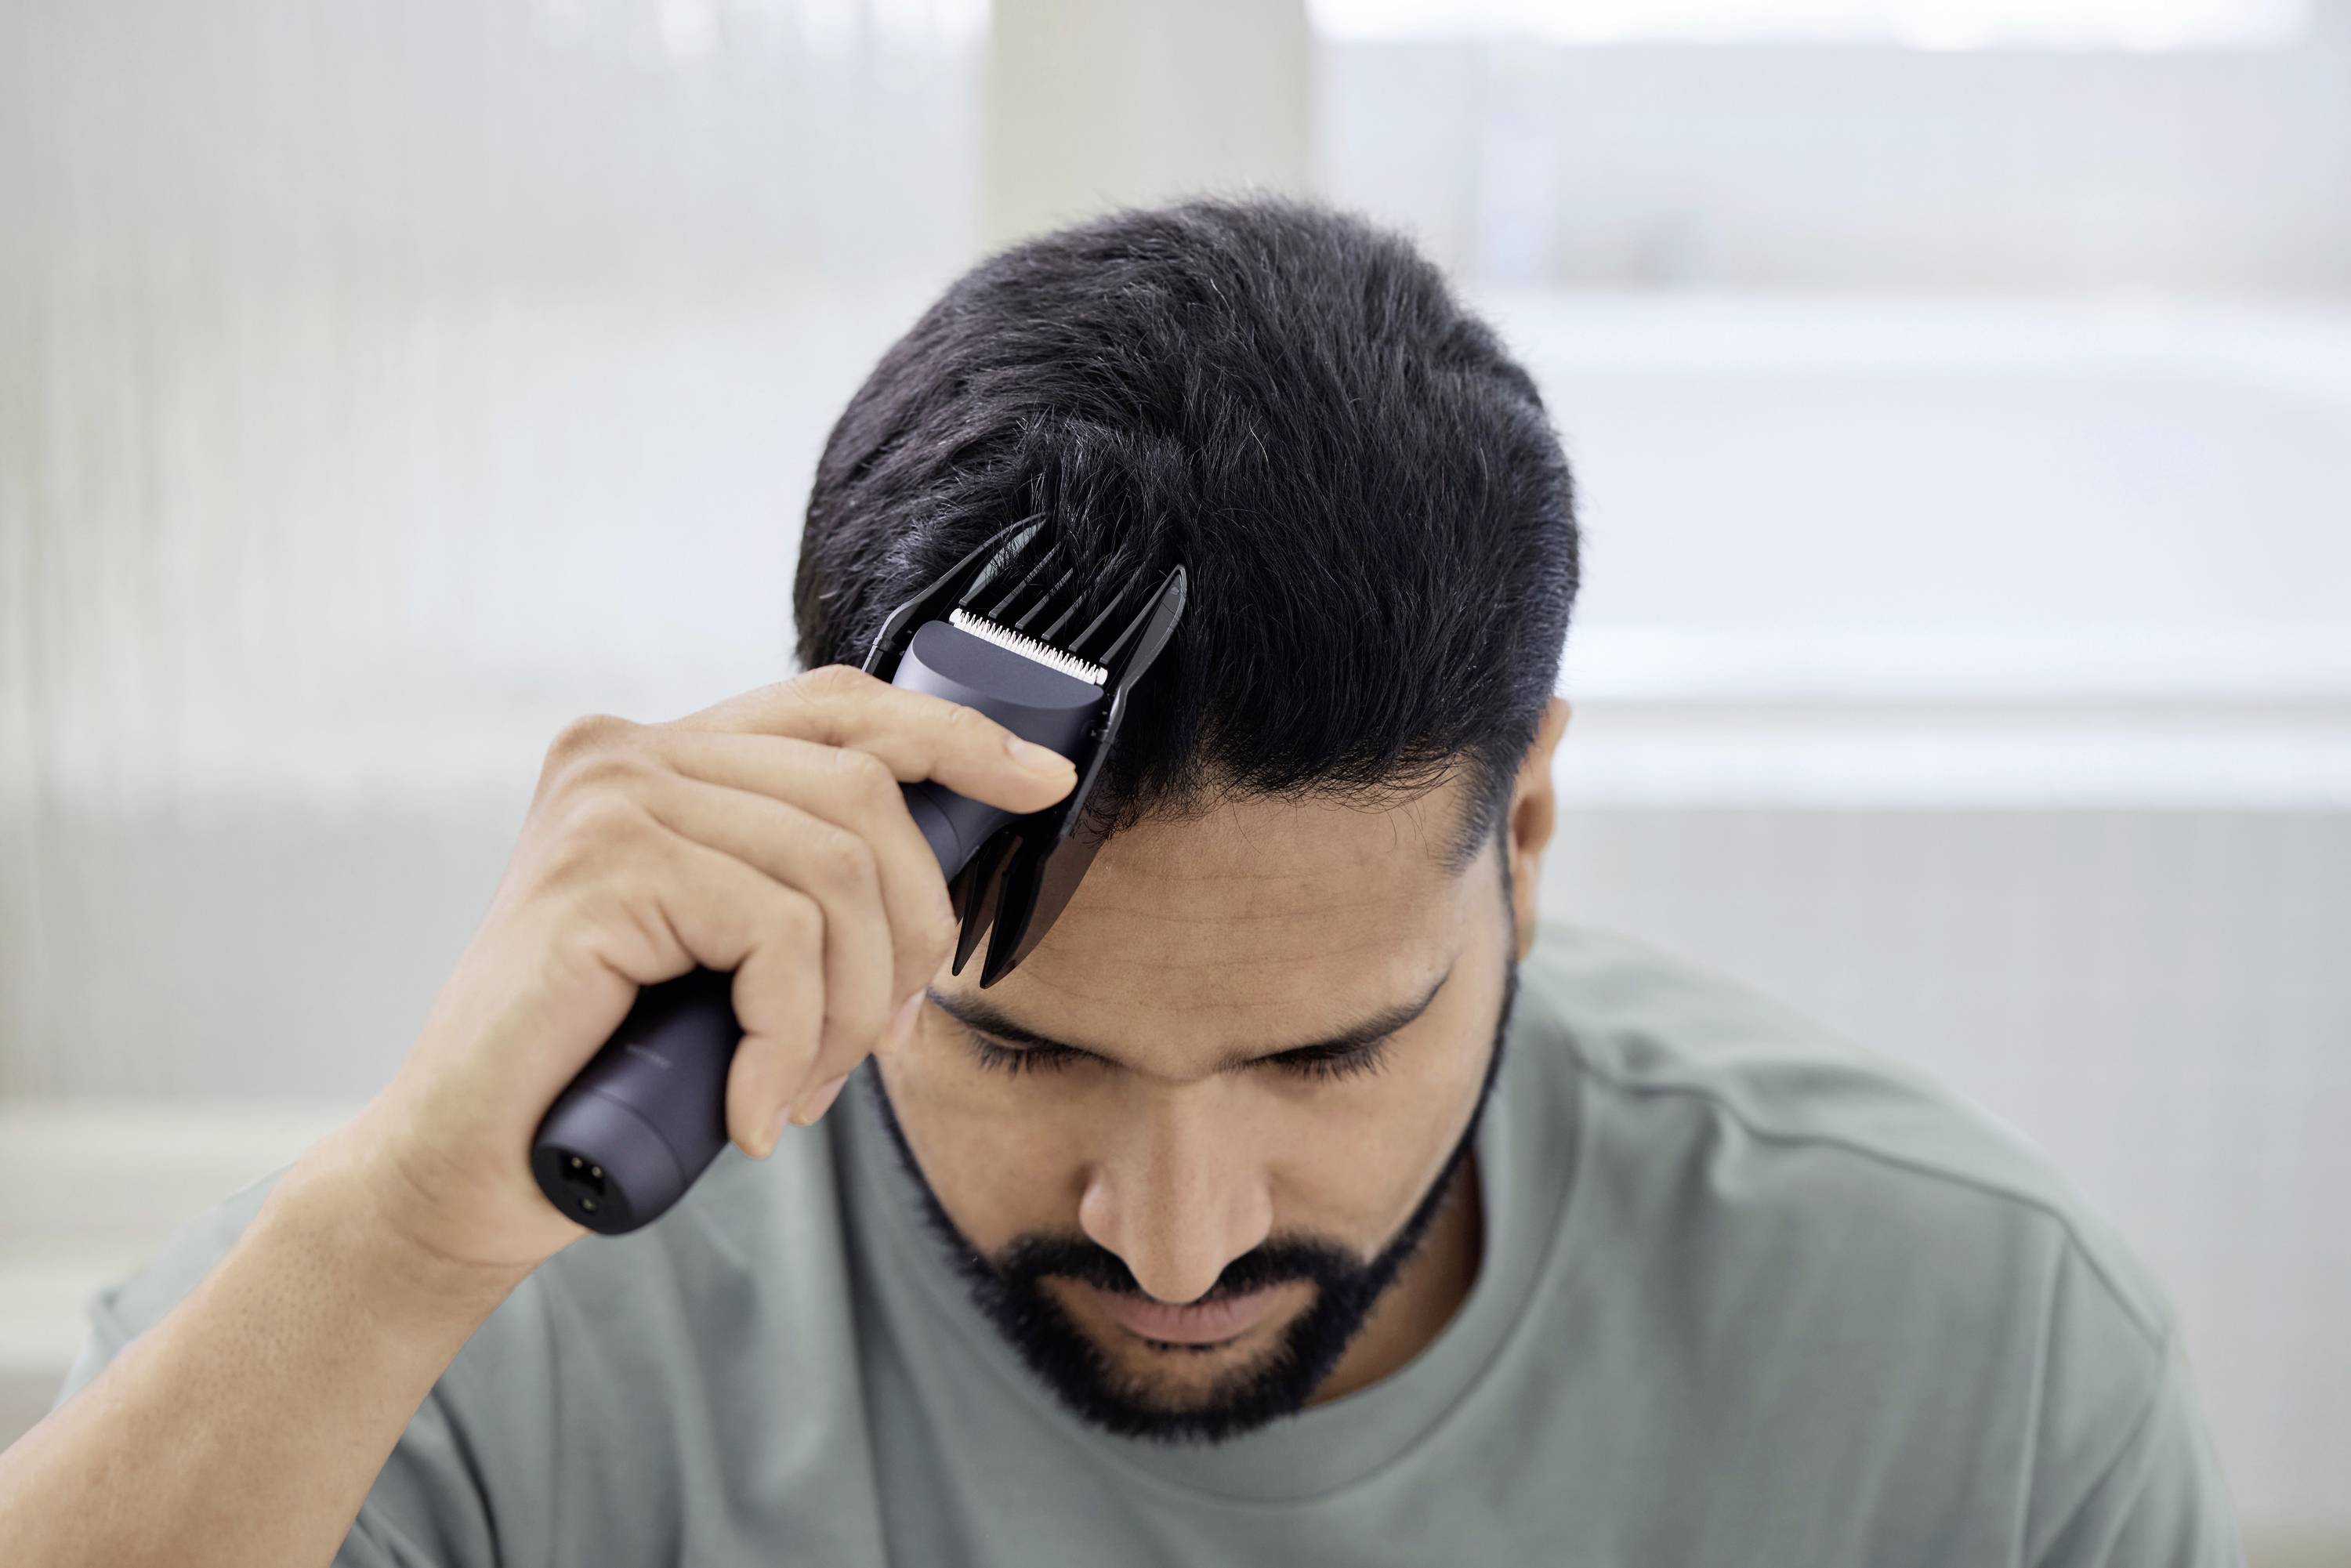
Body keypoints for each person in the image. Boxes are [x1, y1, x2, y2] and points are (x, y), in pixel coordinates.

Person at [0, 199, 2241, 1566]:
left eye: (1330, 1045)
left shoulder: (1989, 1362)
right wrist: (390, 1240)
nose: (1177, 1233)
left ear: (1526, 838)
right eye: (1017, 1039)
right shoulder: (498, 1289)